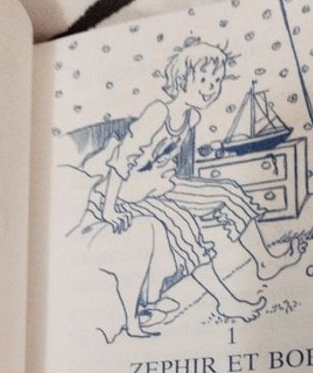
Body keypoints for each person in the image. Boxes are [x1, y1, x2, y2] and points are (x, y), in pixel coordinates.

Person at [87, 37, 301, 340]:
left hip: (158, 185)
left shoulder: (192, 116)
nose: (211, 88)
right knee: (182, 223)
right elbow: (122, 160)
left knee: (228, 191)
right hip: (123, 192)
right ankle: (226, 301)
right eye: (204, 79)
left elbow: (166, 165)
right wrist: (109, 208)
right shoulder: (158, 113)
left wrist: (167, 181)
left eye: (217, 81)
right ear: (182, 79)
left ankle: (265, 261)